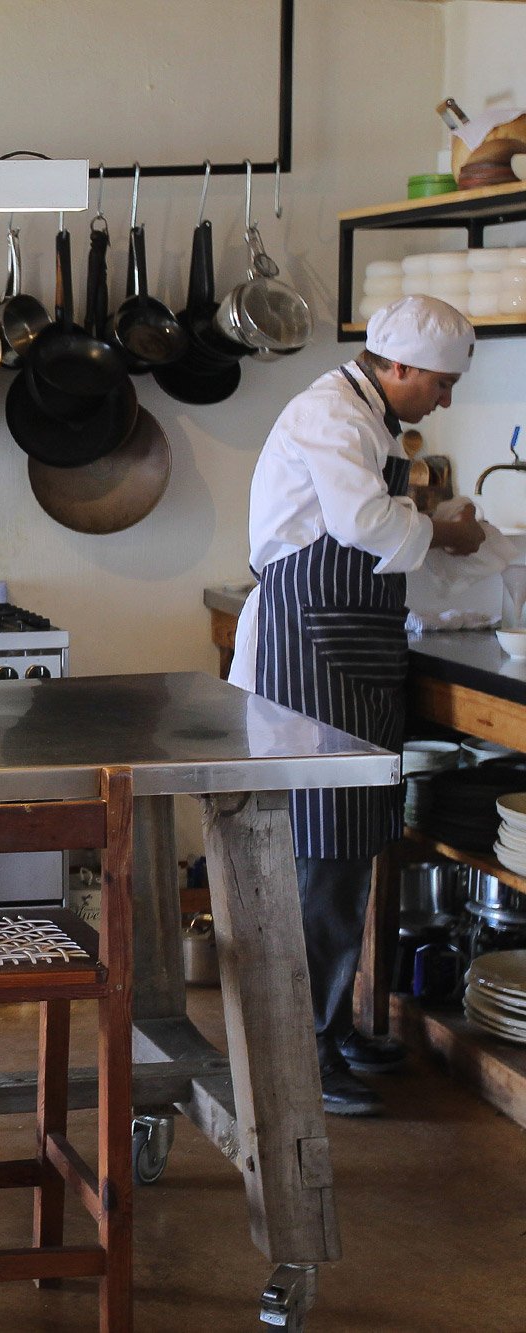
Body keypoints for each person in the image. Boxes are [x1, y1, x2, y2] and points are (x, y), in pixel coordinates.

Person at [229, 295, 516, 1116]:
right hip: (312, 649)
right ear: (396, 367)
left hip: (351, 645)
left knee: (353, 847)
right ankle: (308, 1050)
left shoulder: (370, 419)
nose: (446, 399)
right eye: (440, 381)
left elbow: (375, 528)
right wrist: (442, 532)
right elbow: (361, 522)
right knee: (324, 854)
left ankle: (336, 1024)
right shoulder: (330, 414)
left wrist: (433, 530)